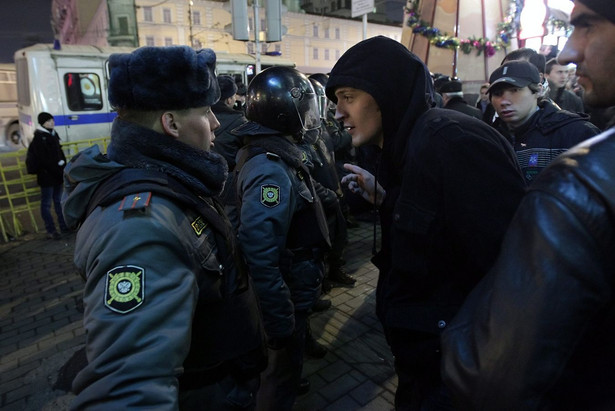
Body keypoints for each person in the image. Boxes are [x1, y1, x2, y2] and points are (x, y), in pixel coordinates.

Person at [325, 36, 527, 410]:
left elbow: (506, 266)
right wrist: (388, 200)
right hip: (423, 360)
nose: (337, 113)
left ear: (387, 93)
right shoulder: (406, 147)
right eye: (336, 99)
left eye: (348, 96)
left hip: (454, 370)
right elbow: (439, 228)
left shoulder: (451, 141)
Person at [62, 46, 266, 409]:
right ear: (171, 124)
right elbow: (128, 389)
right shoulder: (140, 227)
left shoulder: (172, 182)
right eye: (205, 112)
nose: (217, 123)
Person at [441, 1, 615, 409]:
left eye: (587, 25)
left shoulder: (581, 148)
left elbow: (489, 373)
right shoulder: (486, 135)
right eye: (496, 92)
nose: (570, 52)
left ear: (537, 92)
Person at [233, 66, 330, 410]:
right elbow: (260, 252)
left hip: (296, 289)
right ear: (284, 113)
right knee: (280, 379)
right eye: (306, 110)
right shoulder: (269, 167)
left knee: (290, 370)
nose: (312, 117)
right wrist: (278, 321)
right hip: (286, 294)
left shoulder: (280, 153)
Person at [488, 59, 600, 185]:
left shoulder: (575, 133)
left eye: (514, 90)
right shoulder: (490, 138)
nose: (504, 101)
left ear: (539, 90)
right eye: (497, 94)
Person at [212, 75, 248, 231]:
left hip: (204, 179)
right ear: (228, 99)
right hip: (229, 183)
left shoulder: (202, 117)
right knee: (229, 224)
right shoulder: (240, 121)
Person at [25, 112, 69, 239]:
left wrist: (61, 165)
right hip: (47, 177)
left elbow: (59, 154)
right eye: (48, 121)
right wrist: (58, 168)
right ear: (42, 123)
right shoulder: (39, 138)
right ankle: (51, 230)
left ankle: (63, 226)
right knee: (47, 204)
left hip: (55, 175)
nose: (52, 122)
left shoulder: (52, 134)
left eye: (52, 120)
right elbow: (43, 159)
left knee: (59, 202)